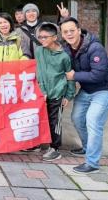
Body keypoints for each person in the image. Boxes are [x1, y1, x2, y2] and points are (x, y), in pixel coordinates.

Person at [60, 17, 108, 174]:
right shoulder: (67, 49)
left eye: (72, 30)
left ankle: (92, 163)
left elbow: (98, 75)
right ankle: (87, 147)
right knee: (77, 118)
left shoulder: (95, 48)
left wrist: (74, 76)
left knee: (93, 121)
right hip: (87, 90)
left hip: (105, 90)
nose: (69, 34)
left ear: (79, 31)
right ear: (62, 34)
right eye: (65, 32)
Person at [34, 22, 75, 161]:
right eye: (40, 37)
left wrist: (69, 95)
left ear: (54, 37)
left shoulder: (64, 56)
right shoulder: (39, 51)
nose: (42, 39)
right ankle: (38, 144)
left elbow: (70, 76)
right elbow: (39, 72)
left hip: (57, 93)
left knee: (55, 121)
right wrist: (42, 90)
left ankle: (55, 149)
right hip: (43, 93)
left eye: (45, 37)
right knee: (41, 119)